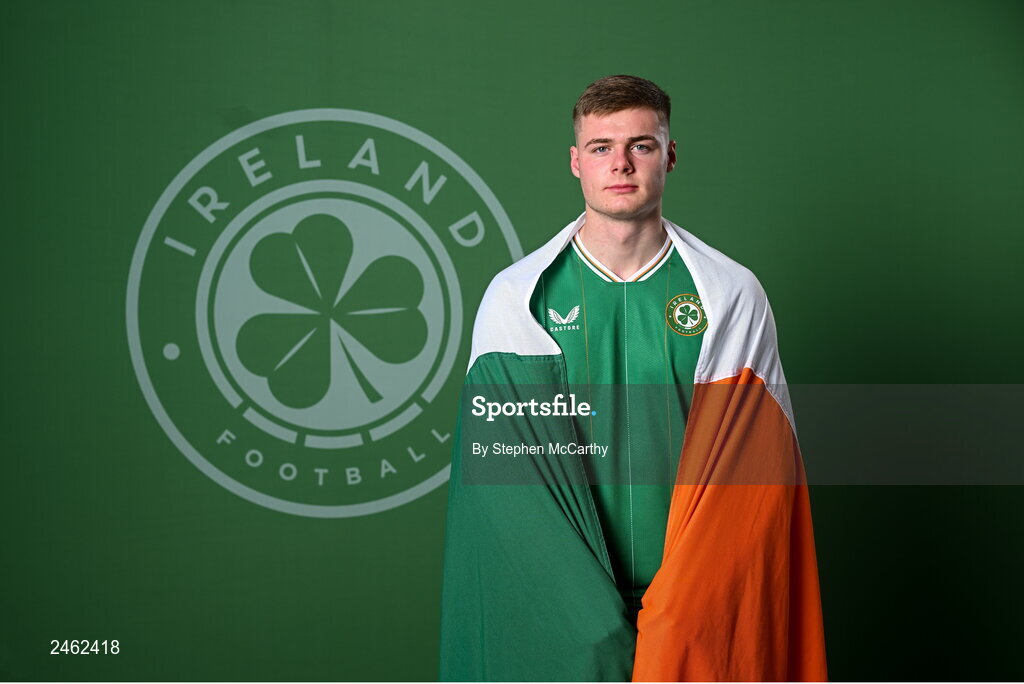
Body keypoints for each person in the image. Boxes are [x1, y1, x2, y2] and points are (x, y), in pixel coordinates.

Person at [440, 75, 827, 682]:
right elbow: (503, 479)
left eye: (641, 145)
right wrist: (581, 612)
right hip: (564, 594)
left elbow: (758, 473)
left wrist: (683, 604)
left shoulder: (730, 295)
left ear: (669, 154)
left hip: (695, 591)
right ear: (576, 162)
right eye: (601, 148)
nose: (620, 164)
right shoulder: (517, 300)